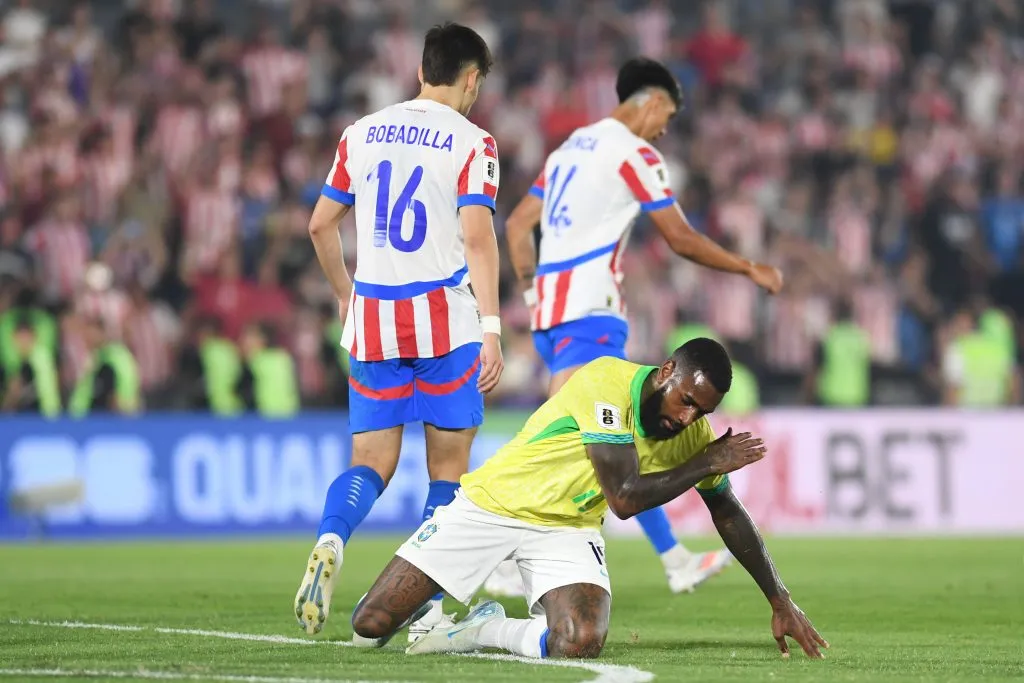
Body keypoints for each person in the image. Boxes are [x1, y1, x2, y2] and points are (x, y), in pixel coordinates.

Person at [494, 57, 783, 597]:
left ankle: (667, 557)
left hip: (551, 318)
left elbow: (515, 226)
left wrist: (535, 295)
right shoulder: (634, 153)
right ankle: (516, 546)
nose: (665, 128)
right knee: (608, 438)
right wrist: (748, 267)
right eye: (667, 114)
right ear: (650, 102)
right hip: (593, 314)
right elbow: (679, 238)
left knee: (575, 434)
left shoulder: (569, 149)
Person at [349, 339, 828, 660]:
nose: (688, 418)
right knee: (371, 624)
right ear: (666, 372)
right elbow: (623, 498)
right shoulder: (606, 383)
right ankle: (458, 618)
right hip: (494, 503)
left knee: (580, 641)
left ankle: (478, 630)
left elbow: (726, 511)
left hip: (568, 528)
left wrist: (780, 598)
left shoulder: (691, 434)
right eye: (686, 400)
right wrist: (707, 462)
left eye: (702, 411)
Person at [296, 22, 504, 640]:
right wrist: (491, 327)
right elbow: (477, 236)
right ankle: (428, 616)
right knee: (448, 473)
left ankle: (332, 536)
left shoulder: (360, 133)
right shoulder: (474, 141)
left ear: (421, 70)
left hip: (375, 319)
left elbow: (319, 225)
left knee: (371, 464)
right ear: (470, 79)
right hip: (445, 322)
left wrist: (343, 295)